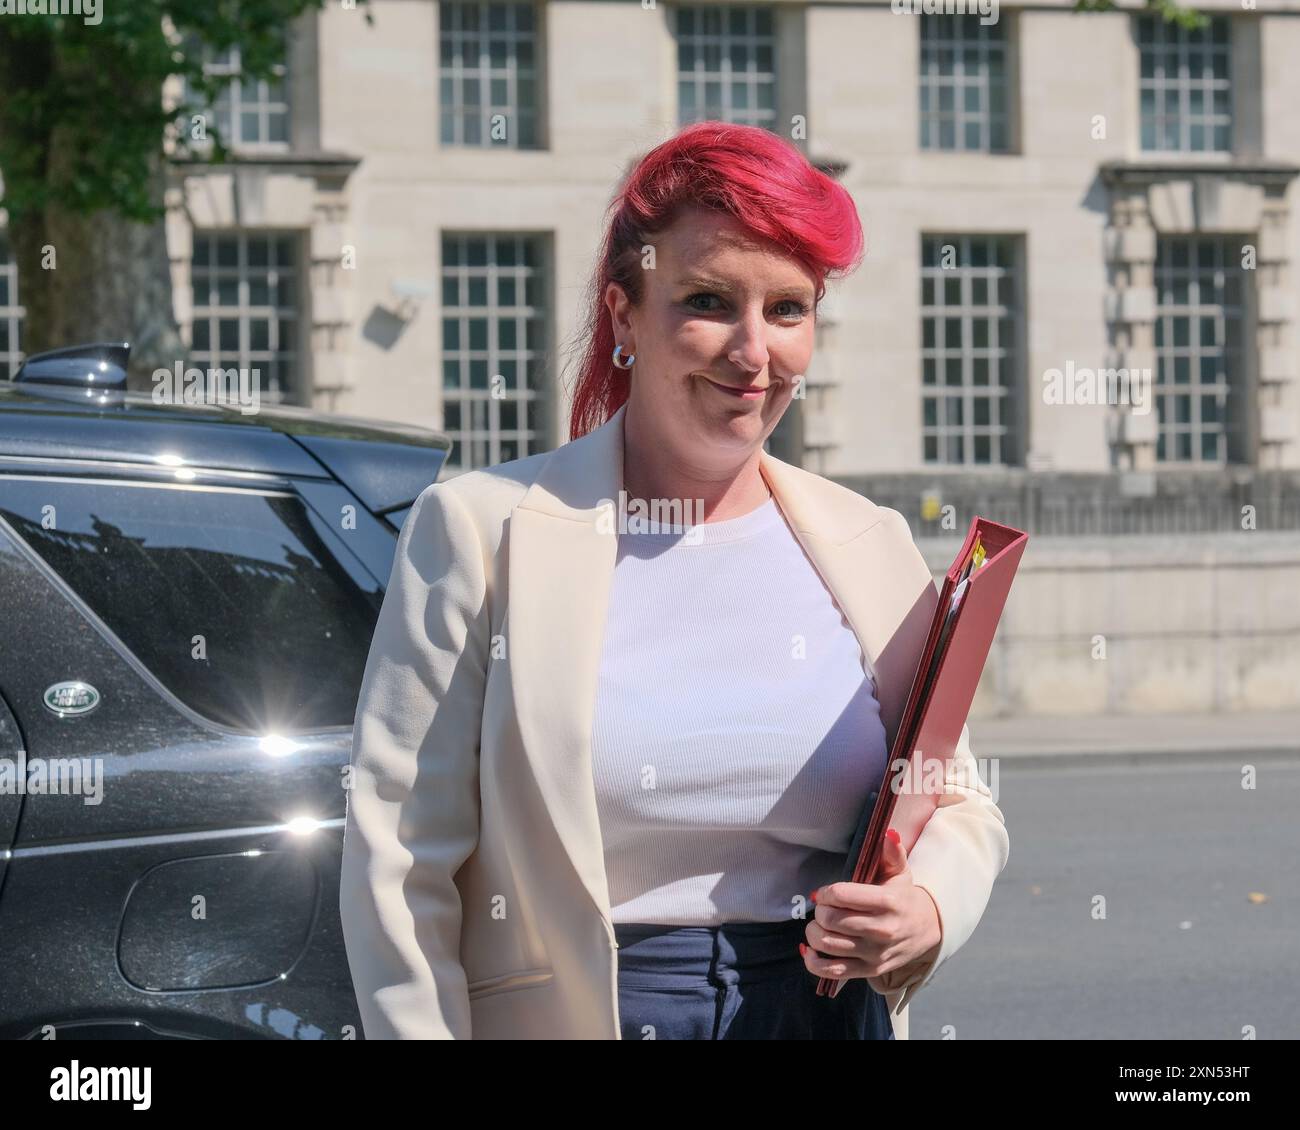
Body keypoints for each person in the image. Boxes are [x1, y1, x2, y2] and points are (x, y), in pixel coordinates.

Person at [339, 121, 1009, 1040]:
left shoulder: (868, 539)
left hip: (822, 1015)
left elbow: (957, 794)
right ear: (623, 316)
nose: (752, 353)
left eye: (788, 309)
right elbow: (400, 862)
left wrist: (928, 907)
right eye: (707, 301)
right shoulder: (480, 530)